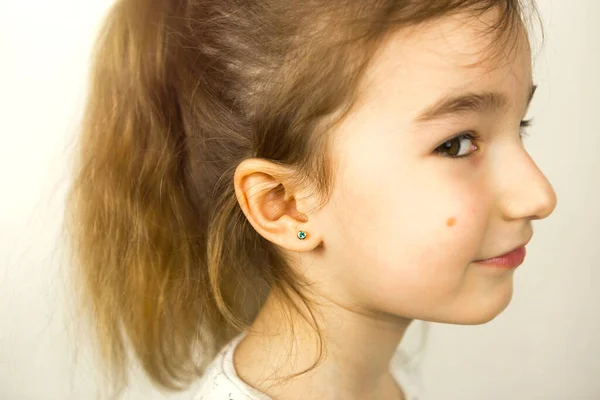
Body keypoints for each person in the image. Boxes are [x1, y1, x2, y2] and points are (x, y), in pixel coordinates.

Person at [64, 0, 557, 398]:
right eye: (457, 143)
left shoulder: (381, 378)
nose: (539, 195)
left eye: (521, 125)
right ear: (286, 205)